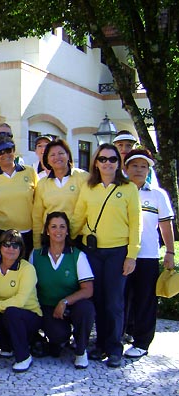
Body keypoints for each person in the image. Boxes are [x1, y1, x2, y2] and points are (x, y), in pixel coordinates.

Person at [71, 143, 141, 368]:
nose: (107, 163)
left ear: (118, 163)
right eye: (103, 159)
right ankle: (100, 345)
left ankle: (114, 348)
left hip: (117, 252)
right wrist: (62, 240)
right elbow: (78, 217)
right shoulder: (88, 187)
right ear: (96, 162)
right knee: (97, 301)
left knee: (114, 303)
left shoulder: (129, 188)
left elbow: (135, 224)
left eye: (112, 159)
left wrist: (132, 255)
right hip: (91, 251)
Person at [123, 149, 175, 358]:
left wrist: (170, 251)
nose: (138, 170)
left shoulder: (157, 194)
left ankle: (142, 343)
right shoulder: (119, 191)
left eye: (143, 166)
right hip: (122, 254)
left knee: (145, 300)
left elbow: (166, 224)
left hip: (147, 256)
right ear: (126, 168)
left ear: (148, 170)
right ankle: (117, 337)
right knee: (121, 299)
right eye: (134, 165)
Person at [31, 212, 95, 369]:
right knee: (58, 335)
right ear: (47, 230)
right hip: (48, 307)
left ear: (67, 231)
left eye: (62, 227)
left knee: (87, 309)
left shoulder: (77, 256)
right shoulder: (36, 255)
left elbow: (88, 290)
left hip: (72, 305)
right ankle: (60, 340)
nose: (58, 231)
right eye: (53, 227)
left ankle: (80, 352)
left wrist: (65, 301)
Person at [0, 230, 42, 373]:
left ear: (21, 249)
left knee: (12, 312)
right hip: (4, 314)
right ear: (0, 247)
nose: (11, 248)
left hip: (28, 316)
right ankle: (8, 346)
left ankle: (24, 357)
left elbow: (19, 301)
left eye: (15, 245)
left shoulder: (27, 269)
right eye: (6, 244)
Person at [0, 137, 38, 257]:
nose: (5, 154)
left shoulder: (29, 172)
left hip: (26, 233)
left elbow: (37, 201)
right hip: (0, 233)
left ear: (14, 151)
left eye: (8, 150)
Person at [32, 139, 89, 249]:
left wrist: (71, 233)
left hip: (78, 238)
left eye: (61, 153)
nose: (57, 157)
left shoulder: (83, 177)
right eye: (52, 155)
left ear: (68, 155)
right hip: (50, 238)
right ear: (47, 160)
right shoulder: (43, 184)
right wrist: (37, 245)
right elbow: (37, 216)